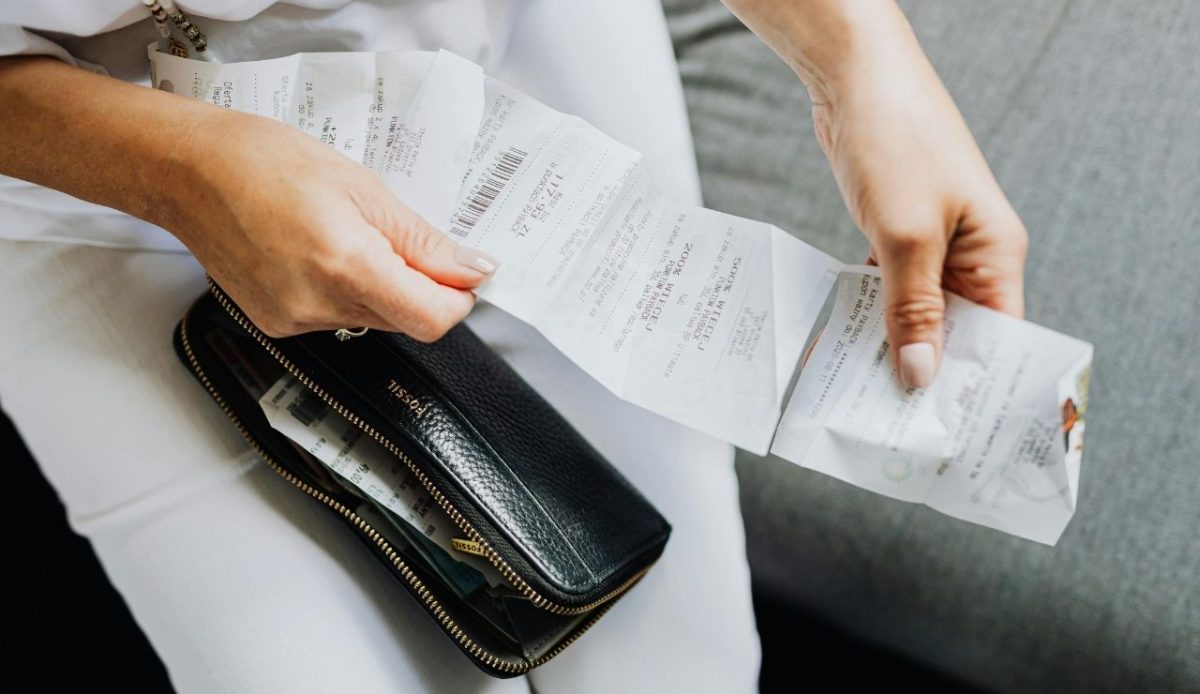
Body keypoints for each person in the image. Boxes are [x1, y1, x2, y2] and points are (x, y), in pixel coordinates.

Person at [0, 1, 1027, 691]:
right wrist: (172, 173)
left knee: (678, 663)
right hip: (67, 134)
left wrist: (860, 63)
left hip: (487, 39)